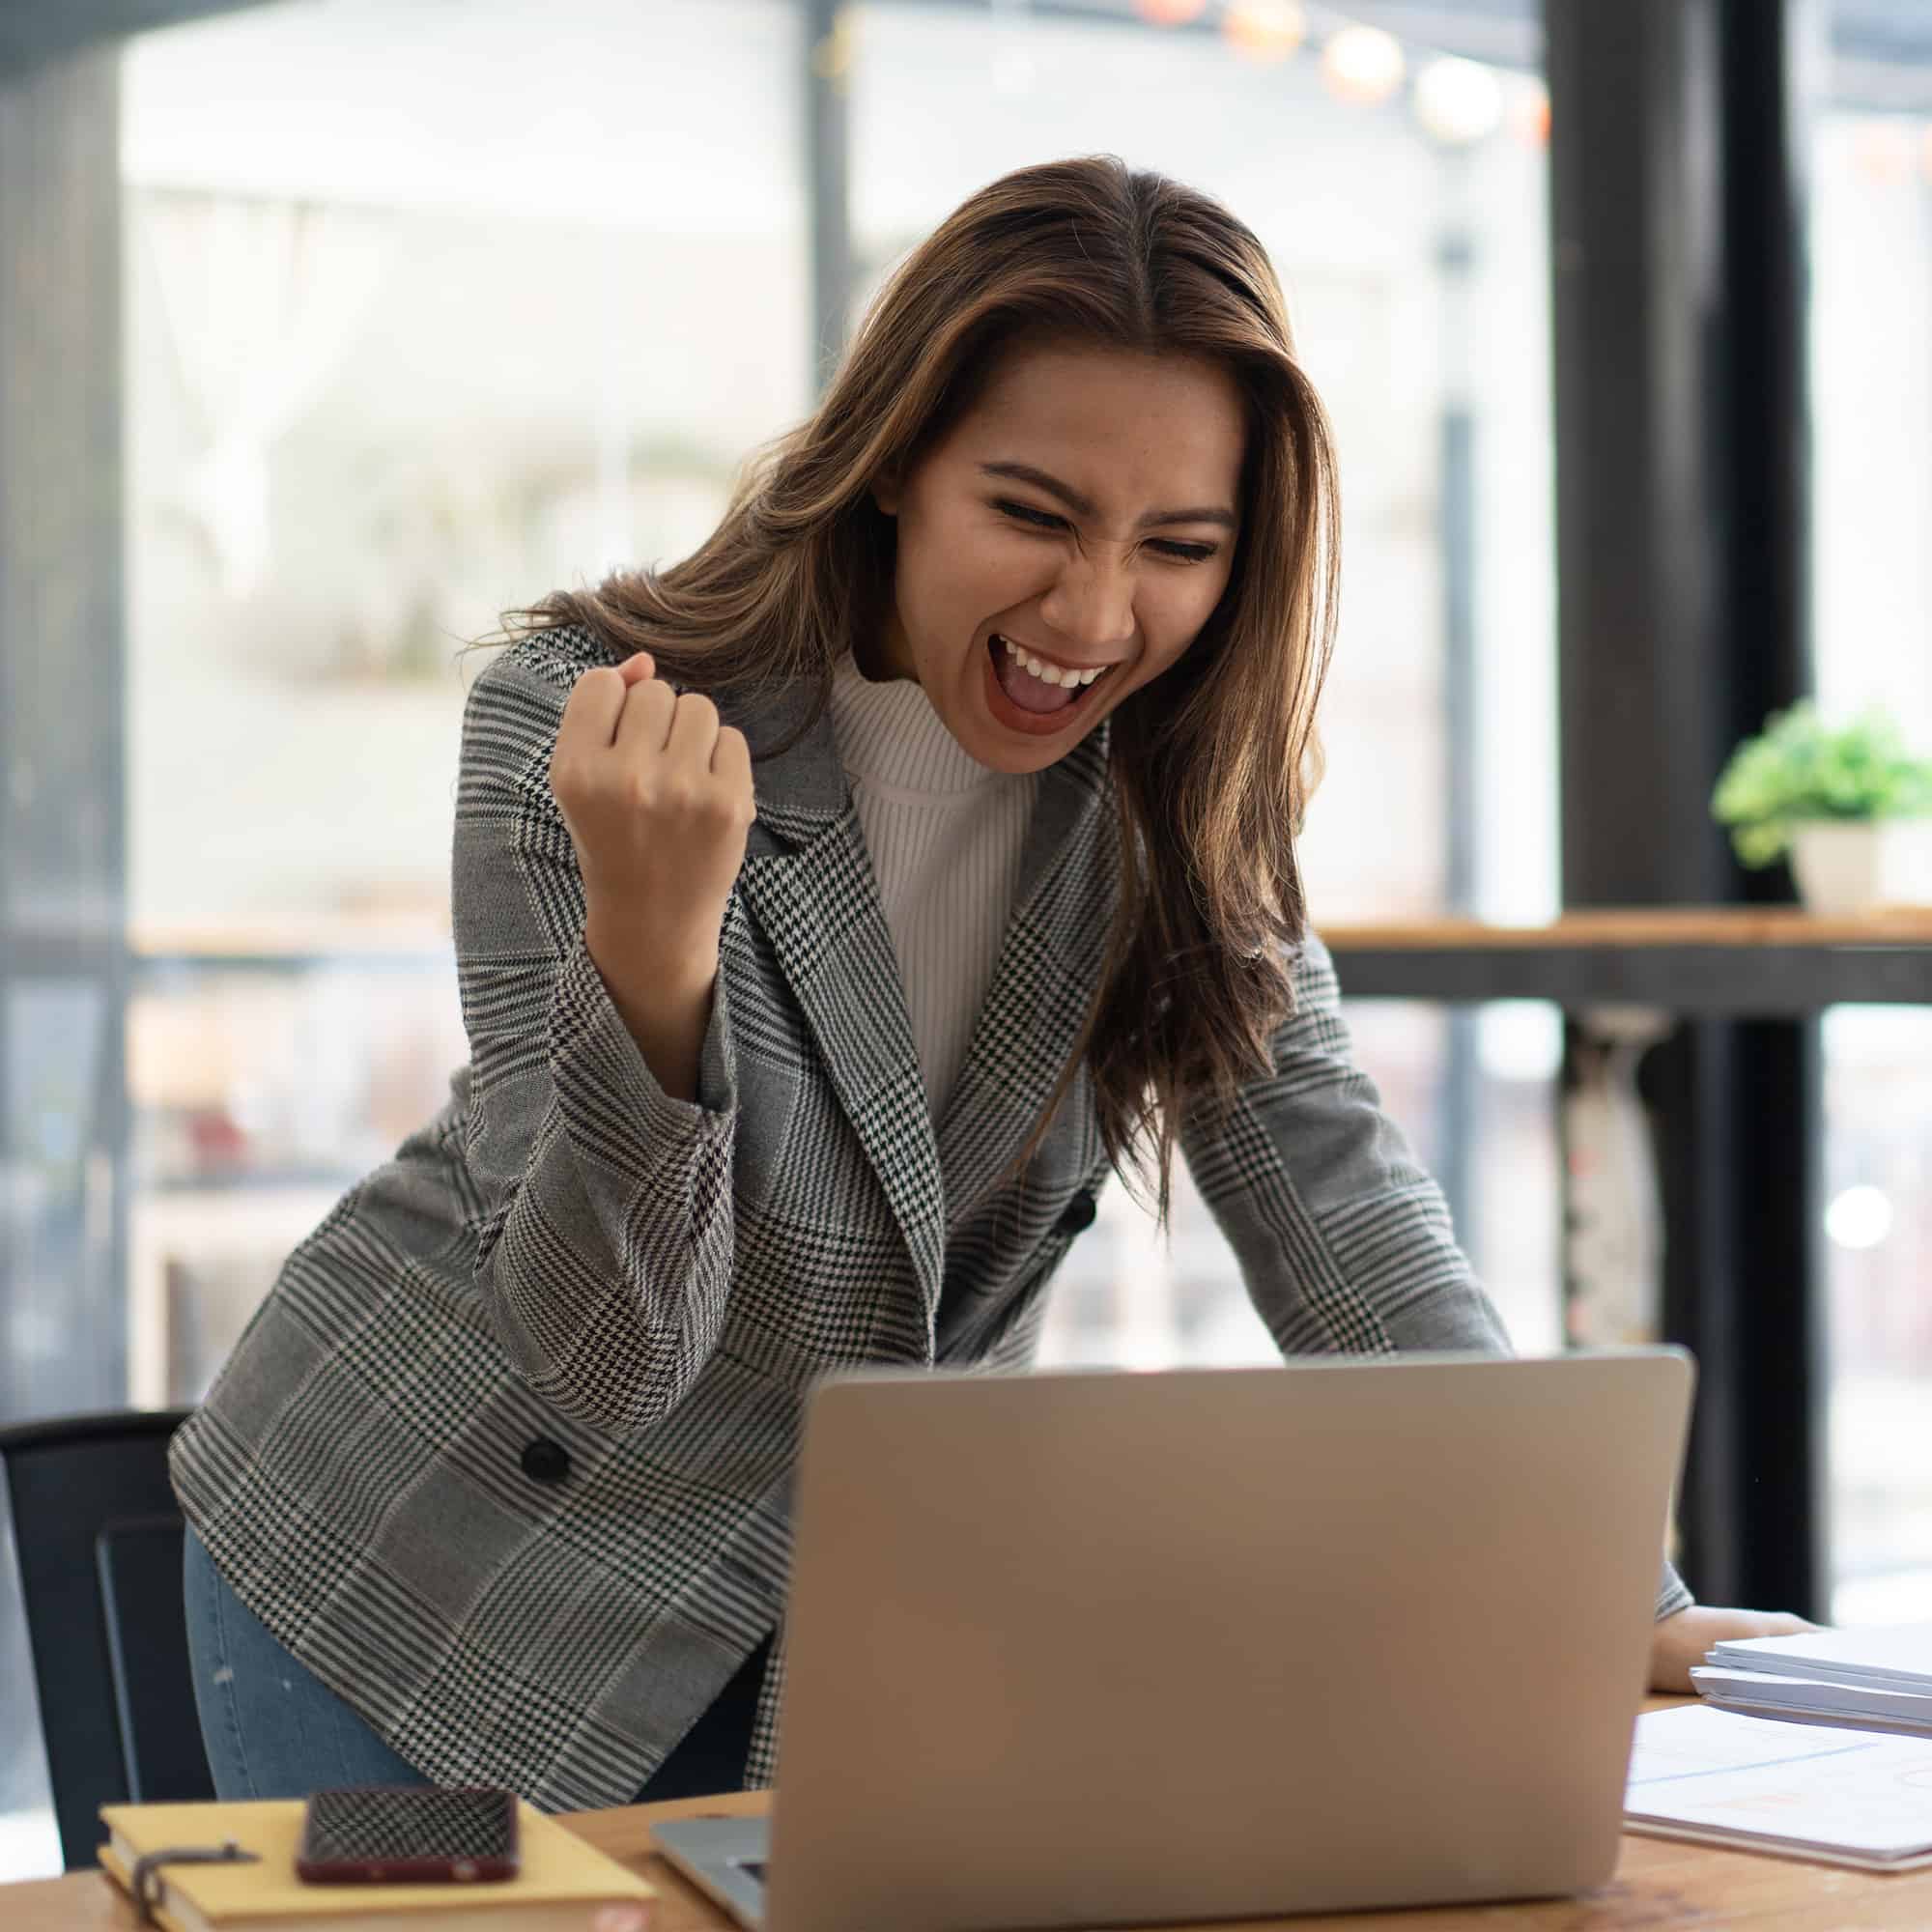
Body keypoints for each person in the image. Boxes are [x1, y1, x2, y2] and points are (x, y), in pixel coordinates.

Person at [172, 155, 1808, 1810]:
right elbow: (606, 1359)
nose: (1094, 614)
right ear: (893, 466)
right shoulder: (591, 720)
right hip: (417, 1587)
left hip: (832, 1626)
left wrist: (1597, 1589)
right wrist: (655, 966)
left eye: (1179, 543)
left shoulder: (1176, 802)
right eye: (1032, 515)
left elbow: (1342, 1207)